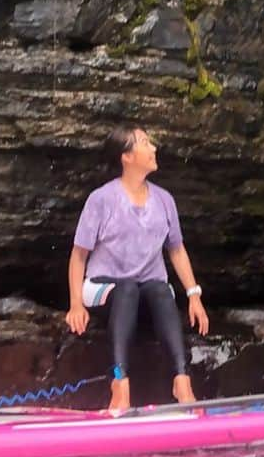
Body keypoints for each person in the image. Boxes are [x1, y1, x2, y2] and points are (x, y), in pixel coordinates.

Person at [65, 125, 209, 413]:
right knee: (127, 288)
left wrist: (194, 296)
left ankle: (182, 382)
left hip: (147, 288)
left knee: (159, 289)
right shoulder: (102, 199)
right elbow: (78, 256)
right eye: (145, 143)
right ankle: (119, 383)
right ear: (126, 157)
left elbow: (176, 250)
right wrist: (75, 304)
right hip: (103, 286)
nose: (154, 148)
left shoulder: (165, 200)